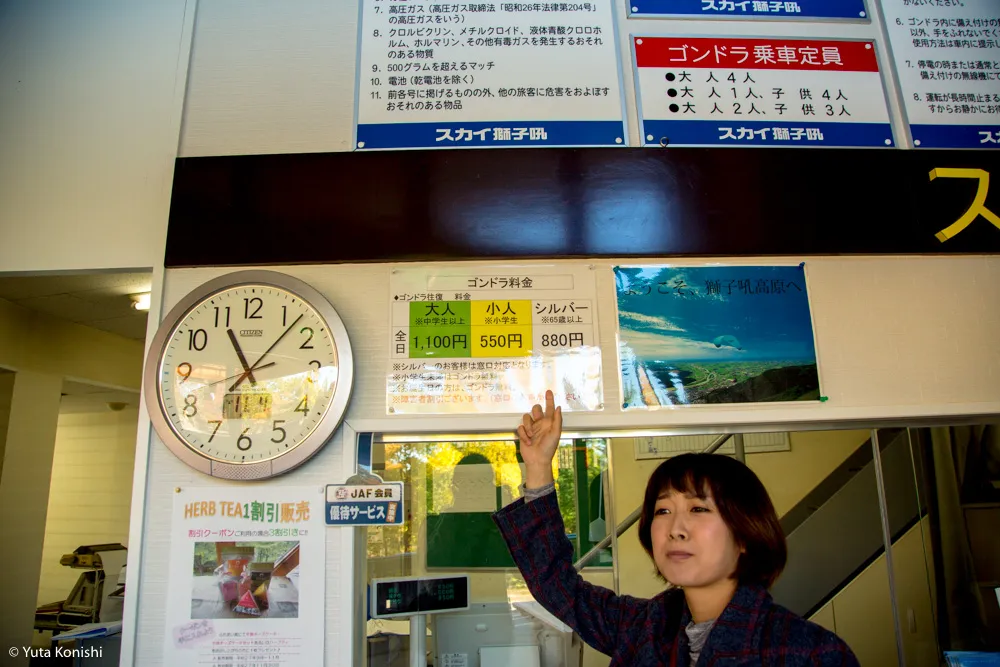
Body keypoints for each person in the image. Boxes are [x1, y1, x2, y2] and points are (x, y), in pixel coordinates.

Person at [493, 391, 860, 666]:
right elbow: (558, 586)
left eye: (699, 508)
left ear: (746, 534)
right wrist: (538, 467)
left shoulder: (812, 653)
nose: (675, 529)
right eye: (663, 510)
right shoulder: (643, 627)